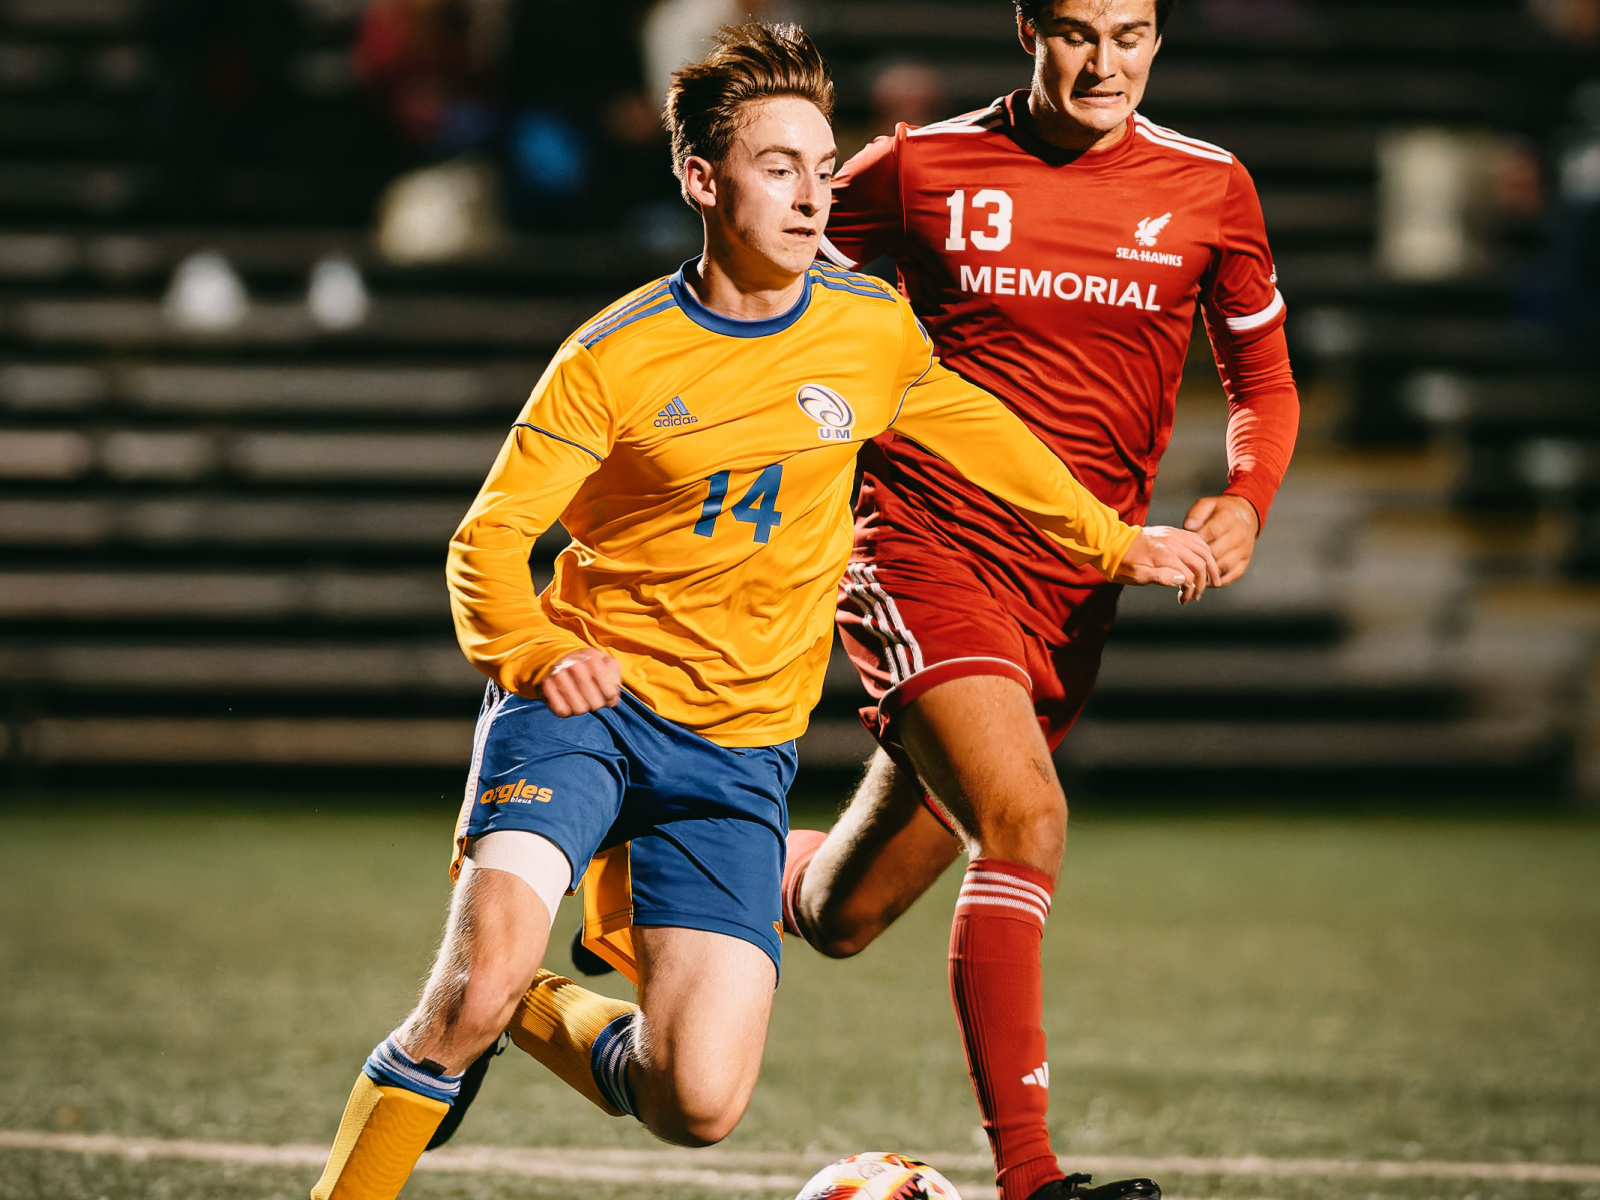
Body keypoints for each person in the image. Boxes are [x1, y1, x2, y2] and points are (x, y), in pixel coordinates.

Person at [305, 22, 1217, 1200]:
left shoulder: (867, 328)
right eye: (777, 166)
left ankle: (518, 1008)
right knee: (466, 990)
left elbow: (983, 433)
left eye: (822, 166)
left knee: (699, 1102)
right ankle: (466, 1021)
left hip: (737, 753)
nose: (811, 193)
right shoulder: (613, 359)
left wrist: (1109, 539)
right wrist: (532, 650)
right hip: (590, 705)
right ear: (701, 180)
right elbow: (486, 538)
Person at [779, 4, 1301, 1200]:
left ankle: (658, 863)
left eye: (1130, 32)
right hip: (923, 547)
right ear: (1027, 26)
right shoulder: (917, 169)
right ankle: (1033, 1184)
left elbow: (1260, 374)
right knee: (1028, 824)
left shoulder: (1210, 187)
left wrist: (1245, 497)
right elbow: (766, 280)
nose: (1104, 62)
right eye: (1075, 31)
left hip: (1075, 590)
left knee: (841, 914)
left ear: (1159, 38)